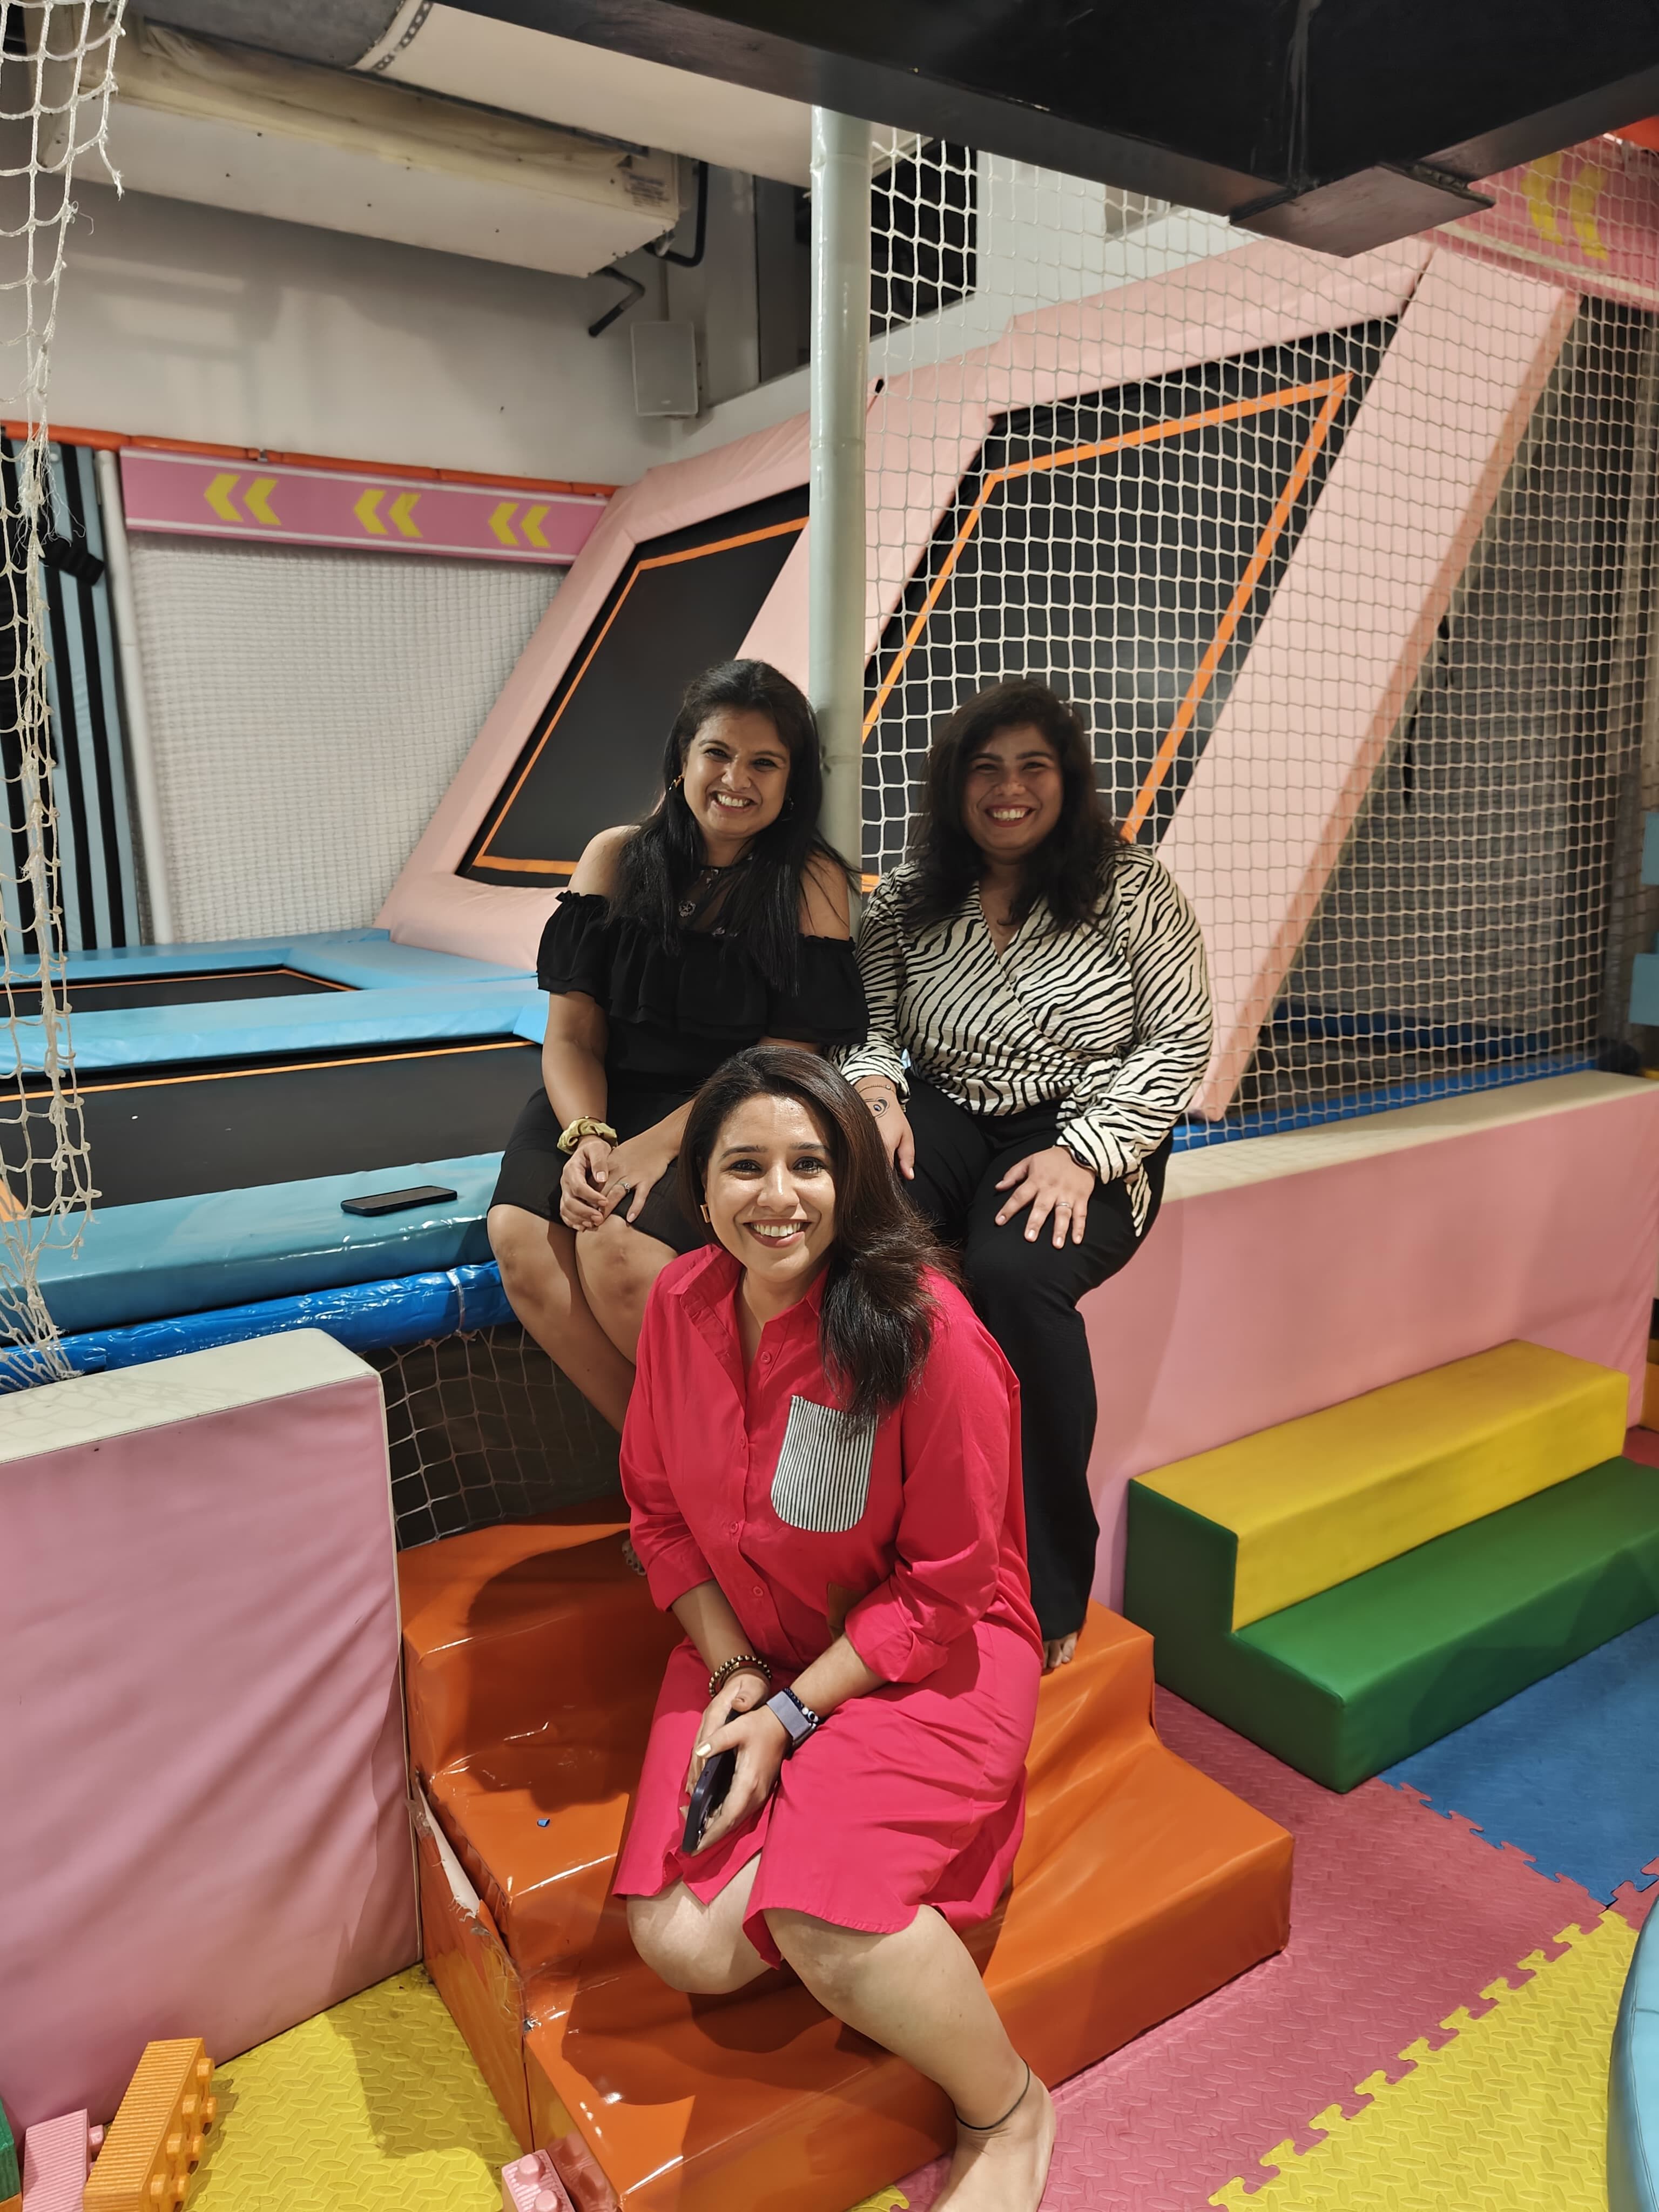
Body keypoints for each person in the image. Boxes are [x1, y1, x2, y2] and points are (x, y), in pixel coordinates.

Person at [615, 1048, 1053, 2211]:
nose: (778, 1196)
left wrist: (797, 1714)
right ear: (700, 1187)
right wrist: (737, 1673)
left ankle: (1008, 2107)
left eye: (809, 1164)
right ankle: (836, 1837)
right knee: (686, 1945)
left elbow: (947, 1583)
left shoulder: (928, 1331)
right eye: (744, 1166)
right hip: (749, 1641)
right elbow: (660, 1516)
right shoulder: (678, 1304)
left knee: (820, 1918)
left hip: (926, 1655)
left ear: (851, 1177)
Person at [839, 679, 1212, 1671]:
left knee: (1014, 1275)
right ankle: (876, 1534)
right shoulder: (909, 900)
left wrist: (1086, 1152)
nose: (1009, 789)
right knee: (875, 1247)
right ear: (955, 784)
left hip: (1087, 1121)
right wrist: (876, 1094)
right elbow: (867, 1029)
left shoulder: (1132, 886)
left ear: (1067, 779)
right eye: (987, 769)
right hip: (946, 1106)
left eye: (1032, 767)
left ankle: (1048, 1578)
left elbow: (1179, 1041)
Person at [488, 661, 865, 1431]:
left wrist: (657, 1148)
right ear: (682, 759)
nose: (736, 779)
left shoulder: (810, 882)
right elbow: (573, 1037)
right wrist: (590, 1137)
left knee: (614, 1251)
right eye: (717, 753)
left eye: (765, 763)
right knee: (520, 1237)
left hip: (732, 1109)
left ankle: (714, 1459)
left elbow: (787, 1058)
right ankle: (656, 1465)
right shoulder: (615, 858)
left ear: (792, 781)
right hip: (601, 1096)